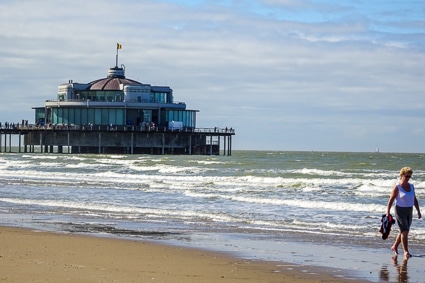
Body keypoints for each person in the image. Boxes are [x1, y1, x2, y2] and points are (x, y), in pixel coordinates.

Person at [386, 167, 421, 259]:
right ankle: (406, 252)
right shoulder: (397, 187)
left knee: (404, 231)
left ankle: (394, 246)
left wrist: (418, 211)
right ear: (401, 175)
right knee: (405, 231)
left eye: (410, 176)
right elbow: (391, 200)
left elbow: (414, 199)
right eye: (406, 176)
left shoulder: (412, 186)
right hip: (400, 210)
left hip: (409, 210)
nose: (408, 178)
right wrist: (387, 212)